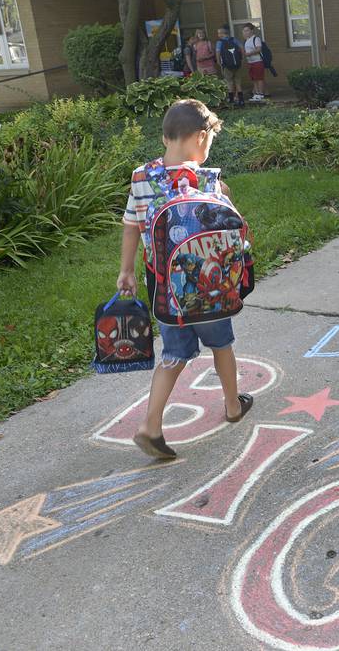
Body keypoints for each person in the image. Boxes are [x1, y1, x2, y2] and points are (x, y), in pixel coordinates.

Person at [118, 99, 253, 459]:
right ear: (200, 137)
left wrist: (126, 270)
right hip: (210, 288)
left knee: (174, 352)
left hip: (162, 286)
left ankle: (150, 425)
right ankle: (232, 405)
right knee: (221, 344)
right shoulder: (210, 180)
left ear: (165, 137)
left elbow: (131, 225)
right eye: (208, 141)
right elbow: (231, 230)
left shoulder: (141, 177)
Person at [216, 26, 244, 107]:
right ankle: (241, 101)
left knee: (229, 83)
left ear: (222, 33)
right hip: (237, 64)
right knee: (238, 83)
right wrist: (242, 59)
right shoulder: (234, 40)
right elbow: (242, 48)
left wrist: (219, 62)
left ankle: (231, 100)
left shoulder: (219, 42)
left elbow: (217, 53)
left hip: (227, 66)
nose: (218, 34)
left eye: (219, 33)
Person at [242, 23, 266, 101]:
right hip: (250, 62)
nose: (245, 32)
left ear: (252, 31)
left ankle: (261, 94)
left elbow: (259, 49)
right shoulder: (246, 41)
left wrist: (249, 53)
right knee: (254, 79)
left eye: (247, 30)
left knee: (259, 78)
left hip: (257, 61)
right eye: (244, 31)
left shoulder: (256, 39)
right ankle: (256, 93)